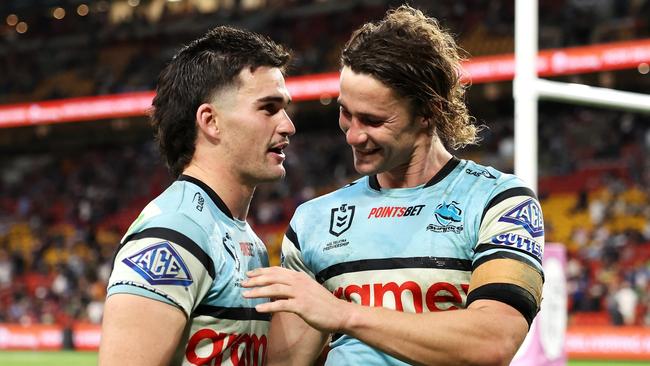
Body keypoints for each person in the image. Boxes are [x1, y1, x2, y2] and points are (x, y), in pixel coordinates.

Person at [242, 5, 545, 366]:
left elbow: (494, 341)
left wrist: (345, 315)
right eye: (345, 112)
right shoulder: (314, 221)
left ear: (428, 112)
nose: (353, 135)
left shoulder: (501, 203)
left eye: (372, 120)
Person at [99, 26, 295, 365]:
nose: (288, 125)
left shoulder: (238, 235)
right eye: (268, 108)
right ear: (211, 121)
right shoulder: (174, 235)